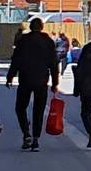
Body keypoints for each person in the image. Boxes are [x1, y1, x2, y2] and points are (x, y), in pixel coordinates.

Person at [7, 18, 61, 151]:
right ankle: (36, 138)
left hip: (25, 79)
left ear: (30, 27)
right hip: (42, 80)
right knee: (39, 109)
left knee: (20, 108)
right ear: (42, 27)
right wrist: (55, 83)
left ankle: (26, 133)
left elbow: (16, 60)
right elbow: (54, 64)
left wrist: (10, 77)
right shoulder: (48, 42)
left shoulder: (23, 41)